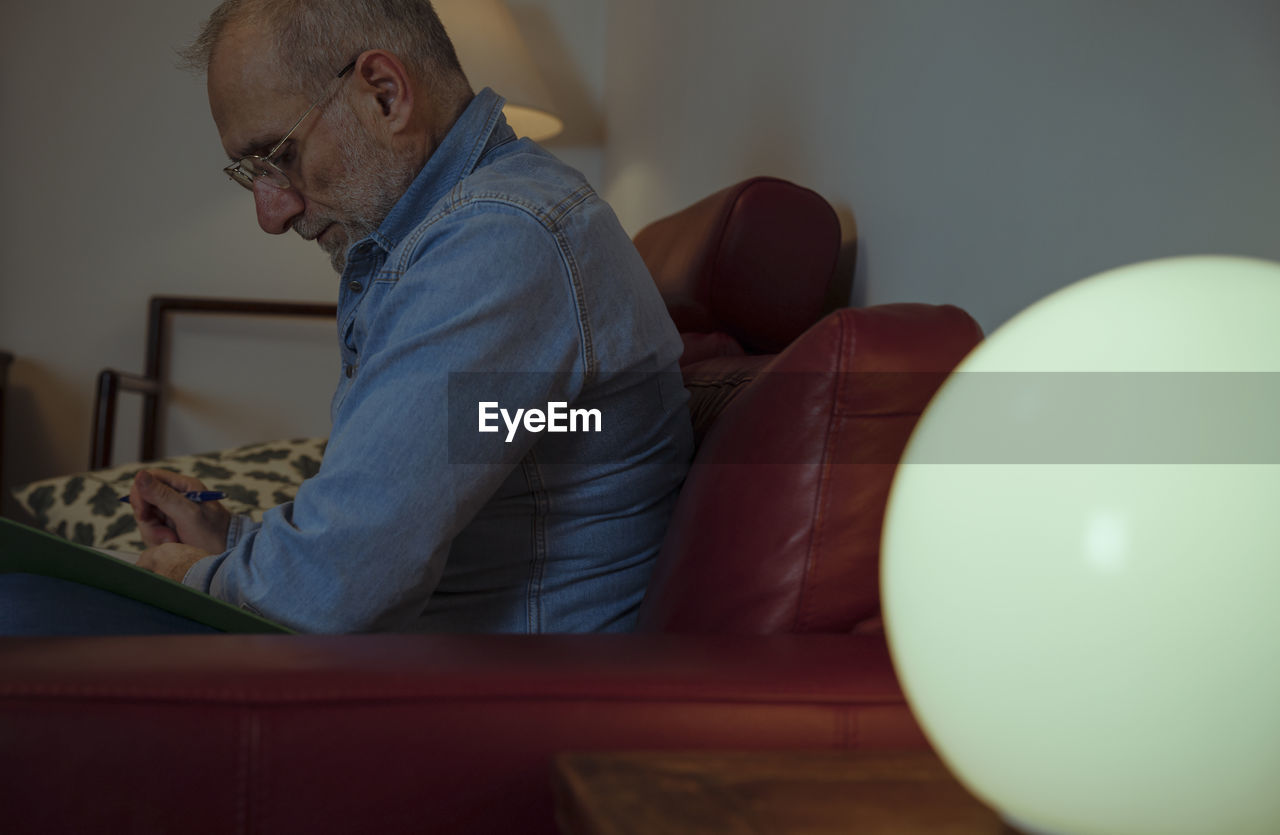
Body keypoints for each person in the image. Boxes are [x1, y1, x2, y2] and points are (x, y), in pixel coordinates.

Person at [9, 0, 692, 634]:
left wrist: (196, 576)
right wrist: (230, 541)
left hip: (502, 698)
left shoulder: (499, 242)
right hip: (444, 666)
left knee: (21, 603)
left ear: (385, 94)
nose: (271, 214)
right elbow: (371, 536)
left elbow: (334, 589)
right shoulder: (460, 237)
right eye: (252, 174)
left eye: (279, 156)